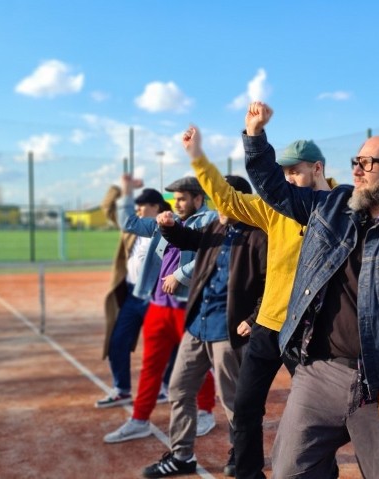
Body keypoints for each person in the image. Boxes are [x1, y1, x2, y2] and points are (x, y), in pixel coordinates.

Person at [244, 101, 379, 479]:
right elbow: (275, 189)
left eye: (368, 163)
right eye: (356, 160)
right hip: (318, 372)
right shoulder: (333, 205)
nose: (357, 168)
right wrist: (256, 136)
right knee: (290, 470)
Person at [184, 125, 335, 479]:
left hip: (310, 332)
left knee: (318, 416)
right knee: (246, 405)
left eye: (294, 171)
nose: (287, 179)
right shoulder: (274, 209)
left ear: (317, 168)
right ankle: (248, 472)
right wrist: (197, 159)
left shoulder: (337, 208)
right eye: (283, 172)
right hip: (268, 326)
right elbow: (228, 200)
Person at [142, 175, 268, 478]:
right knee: (179, 389)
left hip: (229, 331)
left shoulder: (259, 236)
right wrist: (169, 226)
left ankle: (242, 454)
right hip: (198, 324)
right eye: (215, 197)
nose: (217, 204)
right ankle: (181, 455)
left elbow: (271, 285)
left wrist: (252, 320)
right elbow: (189, 240)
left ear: (240, 201)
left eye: (223, 197)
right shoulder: (216, 227)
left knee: (234, 401)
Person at [104, 175, 219, 444]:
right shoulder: (167, 221)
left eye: (181, 199)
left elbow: (211, 255)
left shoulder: (209, 221)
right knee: (150, 367)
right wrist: (127, 193)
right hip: (157, 307)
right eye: (173, 199)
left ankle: (205, 412)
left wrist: (182, 274)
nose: (176, 204)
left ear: (198, 199)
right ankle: (139, 420)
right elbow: (129, 223)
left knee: (197, 367)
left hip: (187, 309)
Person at [96, 185, 174, 408]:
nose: (137, 210)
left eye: (141, 206)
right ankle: (121, 389)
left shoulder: (169, 227)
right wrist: (121, 188)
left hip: (157, 297)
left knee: (164, 345)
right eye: (136, 206)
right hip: (132, 296)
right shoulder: (131, 229)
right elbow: (109, 209)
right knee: (118, 340)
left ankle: (166, 386)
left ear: (155, 207)